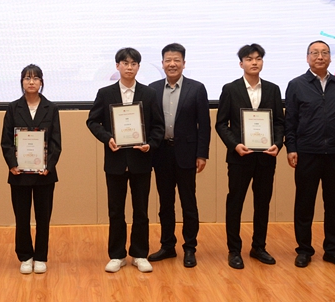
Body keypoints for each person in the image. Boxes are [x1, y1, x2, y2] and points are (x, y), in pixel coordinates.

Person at [86, 47, 165, 273]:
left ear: (138, 67)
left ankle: (139, 254)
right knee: (116, 211)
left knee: (141, 210)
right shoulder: (105, 93)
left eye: (133, 64)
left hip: (141, 161)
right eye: (125, 63)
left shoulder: (149, 94)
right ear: (117, 66)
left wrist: (150, 144)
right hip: (115, 161)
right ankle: (117, 255)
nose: (129, 67)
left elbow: (158, 126)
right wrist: (107, 138)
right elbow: (92, 121)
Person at [285, 41, 335, 269]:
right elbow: (290, 121)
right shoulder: (296, 85)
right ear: (307, 58)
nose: (320, 57)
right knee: (304, 204)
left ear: (330, 58)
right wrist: (291, 148)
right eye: (315, 53)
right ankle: (304, 250)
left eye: (324, 53)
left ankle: (333, 250)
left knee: (334, 204)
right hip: (307, 152)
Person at [215, 44, 285, 269]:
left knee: (262, 203)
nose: (254, 62)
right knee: (235, 203)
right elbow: (221, 124)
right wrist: (234, 145)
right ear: (241, 63)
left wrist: (277, 144)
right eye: (249, 59)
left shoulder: (273, 89)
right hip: (240, 157)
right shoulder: (230, 89)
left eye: (258, 58)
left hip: (266, 157)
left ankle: (259, 247)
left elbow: (279, 123)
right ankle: (234, 250)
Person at [146, 43, 211, 268]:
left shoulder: (197, 88)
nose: (172, 64)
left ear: (184, 63)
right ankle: (167, 246)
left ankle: (190, 248)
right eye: (168, 60)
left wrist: (202, 154)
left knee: (188, 203)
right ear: (162, 63)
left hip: (187, 154)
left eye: (176, 60)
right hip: (161, 153)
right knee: (165, 203)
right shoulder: (152, 89)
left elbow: (204, 125)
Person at [1, 64, 62, 275]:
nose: (31, 82)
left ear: (41, 82)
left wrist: (48, 166)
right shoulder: (13, 108)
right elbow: (6, 141)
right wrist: (12, 164)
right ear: (22, 82)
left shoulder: (51, 108)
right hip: (19, 174)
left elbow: (56, 142)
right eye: (27, 78)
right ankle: (25, 256)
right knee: (22, 217)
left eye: (35, 78)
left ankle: (41, 257)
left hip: (45, 174)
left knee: (43, 218)